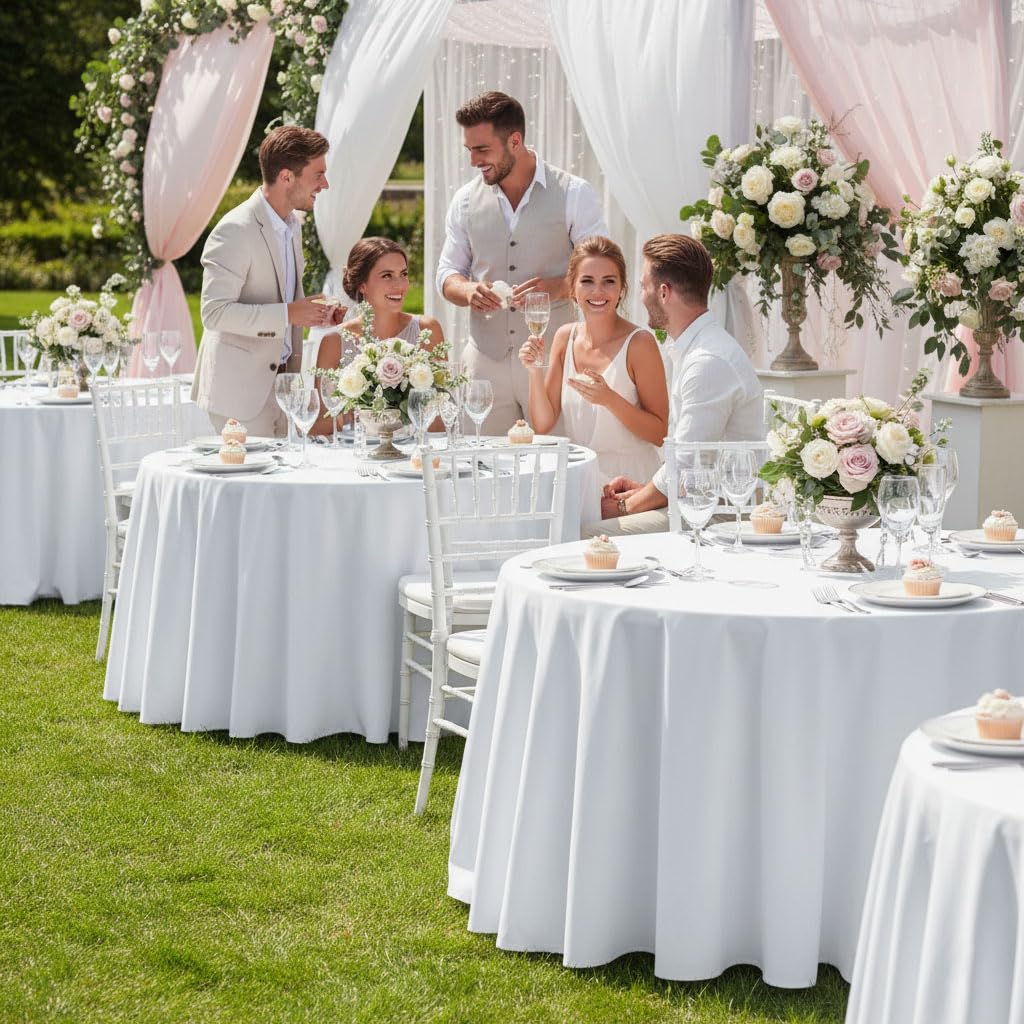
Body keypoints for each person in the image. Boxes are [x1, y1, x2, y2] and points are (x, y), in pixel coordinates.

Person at [436, 90, 608, 434]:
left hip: (554, 360)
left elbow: (603, 271)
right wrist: (469, 290)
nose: (473, 161)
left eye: (482, 149)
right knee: (481, 472)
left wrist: (560, 287)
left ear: (515, 140)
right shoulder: (465, 200)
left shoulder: (574, 194)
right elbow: (447, 274)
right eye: (469, 150)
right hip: (484, 363)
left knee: (557, 463)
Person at [584, 234, 763, 537]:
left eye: (643, 286)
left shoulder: (707, 361)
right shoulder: (696, 349)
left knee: (588, 534)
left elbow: (686, 465)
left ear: (664, 292)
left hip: (720, 514)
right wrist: (643, 491)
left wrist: (626, 507)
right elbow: (685, 461)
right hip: (696, 497)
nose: (640, 296)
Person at [191, 125, 346, 437]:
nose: (325, 184)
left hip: (284, 390)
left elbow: (281, 298)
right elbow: (214, 312)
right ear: (287, 176)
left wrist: (313, 310)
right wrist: (289, 313)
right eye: (318, 174)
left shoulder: (293, 225)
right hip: (240, 397)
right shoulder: (235, 230)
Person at [517, 235, 667, 489]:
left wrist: (609, 398)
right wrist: (533, 371)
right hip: (581, 482)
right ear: (572, 289)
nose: (598, 291)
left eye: (608, 282)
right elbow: (542, 424)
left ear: (622, 289)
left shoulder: (640, 344)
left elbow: (660, 433)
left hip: (632, 485)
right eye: (587, 281)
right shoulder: (565, 337)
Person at [311, 237, 445, 434]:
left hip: (414, 456)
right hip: (357, 456)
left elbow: (439, 419)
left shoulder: (427, 331)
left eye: (404, 274)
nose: (400, 285)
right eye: (387, 275)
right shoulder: (334, 342)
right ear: (362, 285)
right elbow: (321, 424)